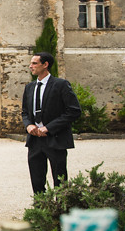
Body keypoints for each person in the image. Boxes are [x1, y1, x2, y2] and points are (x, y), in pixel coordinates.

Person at [21, 51, 81, 194]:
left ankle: (61, 210)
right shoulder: (29, 87)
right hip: (35, 141)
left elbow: (73, 111)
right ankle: (40, 210)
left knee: (60, 179)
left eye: (34, 63)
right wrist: (28, 125)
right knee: (37, 179)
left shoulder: (61, 85)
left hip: (55, 139)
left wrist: (48, 128)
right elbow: (24, 112)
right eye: (31, 63)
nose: (30, 66)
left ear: (45, 65)